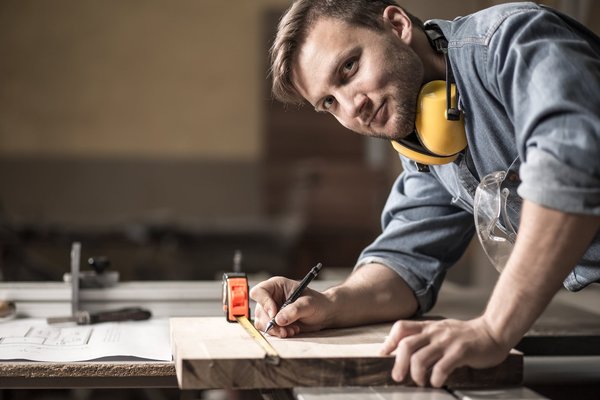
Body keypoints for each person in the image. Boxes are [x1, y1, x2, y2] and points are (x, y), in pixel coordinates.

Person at [250, 0, 600, 388]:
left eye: (349, 68)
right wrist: (330, 305)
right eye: (329, 102)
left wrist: (493, 330)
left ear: (397, 25)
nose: (353, 108)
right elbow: (405, 264)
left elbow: (569, 171)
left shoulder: (510, 40)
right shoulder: (428, 144)